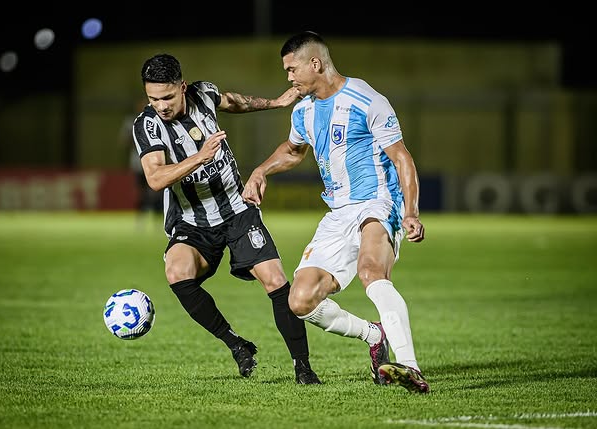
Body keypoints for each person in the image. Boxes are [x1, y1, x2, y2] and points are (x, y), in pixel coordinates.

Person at [242, 31, 430, 393]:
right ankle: (373, 334)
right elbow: (294, 151)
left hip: (378, 202)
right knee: (300, 300)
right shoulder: (304, 111)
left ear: (316, 63)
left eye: (292, 68)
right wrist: (260, 170)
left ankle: (410, 367)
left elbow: (402, 157)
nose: (289, 78)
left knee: (371, 270)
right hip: (337, 212)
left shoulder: (366, 99)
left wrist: (411, 212)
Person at [132, 53, 321, 384]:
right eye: (153, 98)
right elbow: (156, 177)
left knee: (275, 280)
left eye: (167, 97)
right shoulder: (147, 126)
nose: (160, 105)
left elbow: (232, 101)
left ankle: (302, 367)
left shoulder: (203, 93)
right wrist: (200, 156)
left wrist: (276, 102)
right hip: (191, 220)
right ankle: (236, 344)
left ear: (182, 87)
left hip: (237, 209)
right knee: (177, 272)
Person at [119, 98, 163, 227]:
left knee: (157, 191)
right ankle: (141, 218)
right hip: (138, 163)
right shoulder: (131, 122)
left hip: (155, 161)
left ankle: (158, 219)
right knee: (142, 192)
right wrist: (139, 140)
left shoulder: (156, 120)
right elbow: (123, 141)